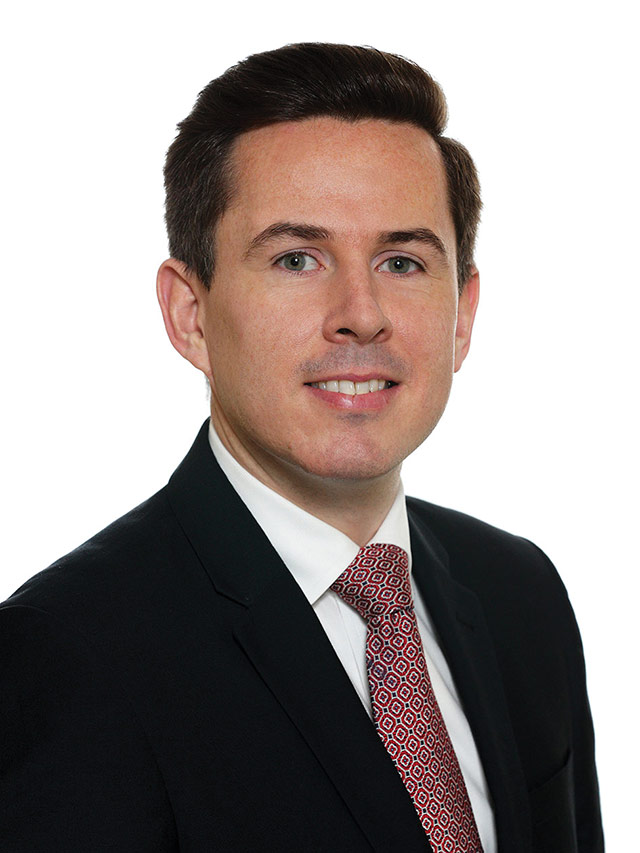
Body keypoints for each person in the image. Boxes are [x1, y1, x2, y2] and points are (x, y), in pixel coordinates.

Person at [0, 43, 603, 852]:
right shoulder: (70, 655)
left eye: (401, 260)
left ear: (462, 314)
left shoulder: (520, 593)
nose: (361, 313)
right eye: (296, 258)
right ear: (189, 314)